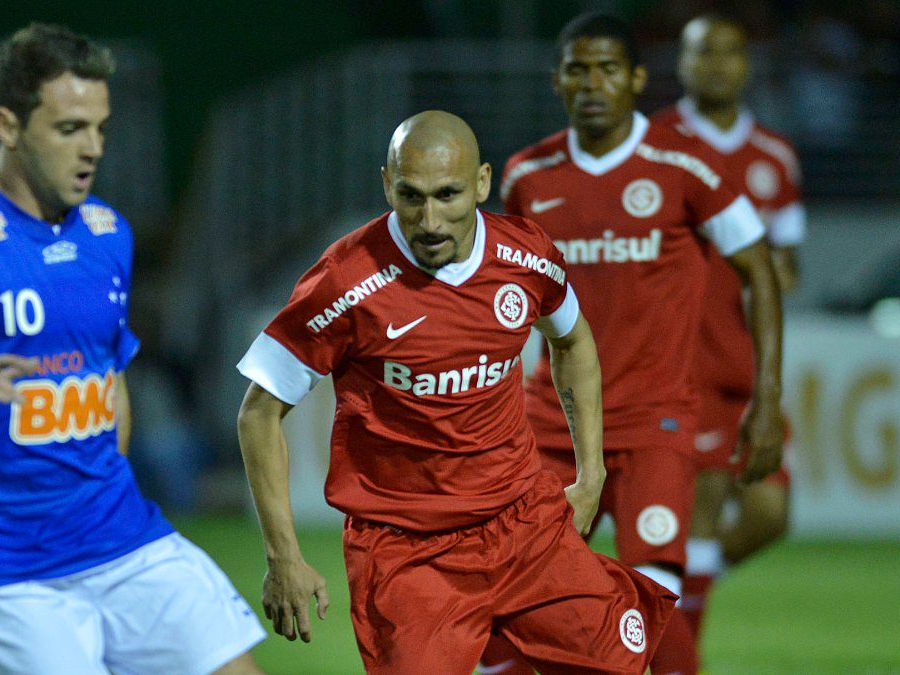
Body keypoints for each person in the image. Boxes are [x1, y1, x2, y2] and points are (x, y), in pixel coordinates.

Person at [0, 22, 264, 675]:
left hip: (118, 535)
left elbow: (108, 371)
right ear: (8, 126)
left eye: (100, 127)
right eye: (70, 129)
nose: (92, 148)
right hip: (0, 562)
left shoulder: (106, 233)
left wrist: (100, 476)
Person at [236, 109, 677, 675]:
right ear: (386, 186)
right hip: (407, 551)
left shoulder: (526, 257)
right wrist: (283, 557)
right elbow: (258, 414)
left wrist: (590, 475)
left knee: (622, 667)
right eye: (410, 196)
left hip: (522, 524)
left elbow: (573, 342)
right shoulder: (346, 282)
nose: (430, 219)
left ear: (483, 183)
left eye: (447, 194)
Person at [478, 12, 784, 675]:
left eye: (608, 69)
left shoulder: (685, 165)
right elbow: (507, 301)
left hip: (653, 418)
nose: (593, 84)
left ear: (636, 79)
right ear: (557, 79)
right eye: (578, 69)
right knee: (517, 592)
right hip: (552, 423)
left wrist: (768, 398)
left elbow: (760, 268)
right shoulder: (528, 175)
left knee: (654, 592)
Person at [651, 12, 805, 650]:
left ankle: (664, 603)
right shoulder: (654, 144)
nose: (716, 64)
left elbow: (789, 259)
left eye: (729, 52)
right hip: (684, 365)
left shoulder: (774, 156)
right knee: (704, 515)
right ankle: (680, 648)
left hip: (745, 364)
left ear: (746, 64)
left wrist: (777, 272)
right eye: (702, 52)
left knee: (770, 516)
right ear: (680, 64)